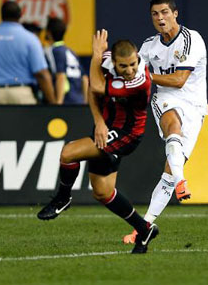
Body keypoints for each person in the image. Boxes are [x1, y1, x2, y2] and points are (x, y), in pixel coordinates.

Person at [37, 29, 158, 254]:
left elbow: (96, 87)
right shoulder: (105, 61)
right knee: (102, 191)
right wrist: (99, 122)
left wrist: (94, 56)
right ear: (114, 62)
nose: (130, 70)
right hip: (106, 128)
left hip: (127, 133)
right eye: (124, 66)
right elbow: (93, 94)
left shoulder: (140, 80)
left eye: (133, 63)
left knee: (68, 153)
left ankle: (63, 198)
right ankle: (144, 228)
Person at [122, 0, 208, 244]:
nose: (160, 18)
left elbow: (180, 80)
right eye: (155, 14)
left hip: (195, 105)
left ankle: (143, 226)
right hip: (165, 99)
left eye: (164, 13)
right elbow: (132, 70)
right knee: (172, 125)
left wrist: (145, 75)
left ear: (175, 14)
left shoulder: (192, 39)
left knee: (169, 173)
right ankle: (183, 182)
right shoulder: (149, 46)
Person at [0, 1, 55, 104]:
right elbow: (41, 74)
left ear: (1, 14)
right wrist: (54, 104)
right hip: (21, 94)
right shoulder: (30, 38)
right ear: (20, 15)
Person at [45, 17, 89, 104]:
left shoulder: (54, 51)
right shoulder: (71, 52)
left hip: (66, 101)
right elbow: (84, 79)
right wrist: (85, 102)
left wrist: (59, 103)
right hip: (78, 101)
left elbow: (61, 76)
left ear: (49, 33)